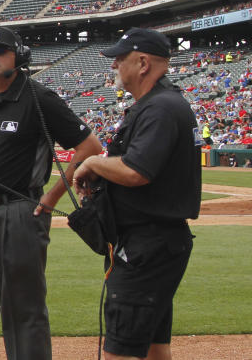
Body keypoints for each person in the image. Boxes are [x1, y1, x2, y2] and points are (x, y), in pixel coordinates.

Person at [0, 27, 103, 360]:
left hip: (21, 211)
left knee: (24, 309)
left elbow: (89, 147)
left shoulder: (39, 98)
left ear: (19, 55)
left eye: (0, 50)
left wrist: (50, 198)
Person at [74, 28, 201, 360]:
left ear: (142, 63)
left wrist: (93, 163)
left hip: (146, 247)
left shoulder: (159, 108)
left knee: (122, 351)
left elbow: (136, 171)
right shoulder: (161, 104)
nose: (114, 65)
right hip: (157, 242)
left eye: (119, 59)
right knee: (155, 347)